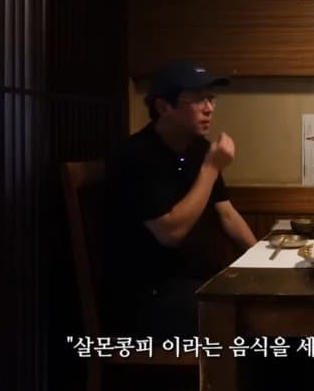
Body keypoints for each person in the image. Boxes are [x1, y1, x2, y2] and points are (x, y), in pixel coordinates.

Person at [104, 61, 257, 339]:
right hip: (152, 296)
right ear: (164, 107)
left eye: (210, 99)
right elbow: (170, 233)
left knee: (270, 304)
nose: (209, 108)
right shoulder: (135, 156)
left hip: (200, 282)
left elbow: (226, 214)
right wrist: (211, 168)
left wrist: (261, 260)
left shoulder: (198, 149)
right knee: (254, 322)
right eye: (197, 100)